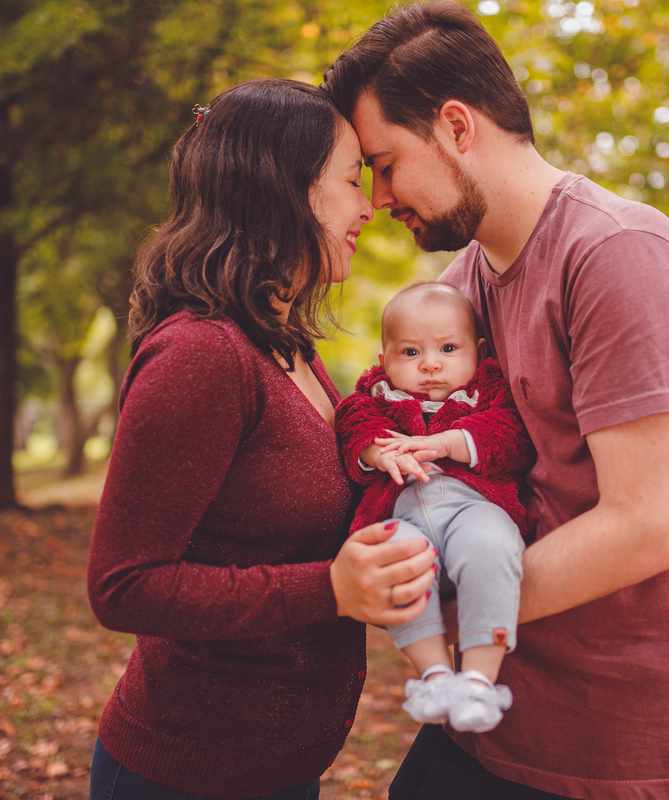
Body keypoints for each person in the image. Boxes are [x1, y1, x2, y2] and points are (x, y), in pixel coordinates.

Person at [322, 3, 669, 800]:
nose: (380, 194)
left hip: (624, 735)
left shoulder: (618, 257)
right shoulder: (457, 294)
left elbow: (646, 526)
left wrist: (438, 613)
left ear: (457, 127)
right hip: (498, 708)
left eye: (386, 162)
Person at [84, 78, 437, 800]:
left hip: (277, 770)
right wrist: (331, 588)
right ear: (285, 189)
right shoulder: (202, 354)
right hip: (187, 774)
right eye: (348, 180)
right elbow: (123, 586)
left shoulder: (286, 348)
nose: (368, 207)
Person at [334, 282, 533, 733]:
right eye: (410, 353)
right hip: (402, 514)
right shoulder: (379, 396)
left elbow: (512, 437)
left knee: (491, 548)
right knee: (396, 562)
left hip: (474, 506)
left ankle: (481, 677)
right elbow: (352, 421)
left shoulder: (487, 392)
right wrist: (376, 452)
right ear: (384, 358)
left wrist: (446, 442)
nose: (430, 364)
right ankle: (435, 674)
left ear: (477, 351)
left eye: (447, 348)